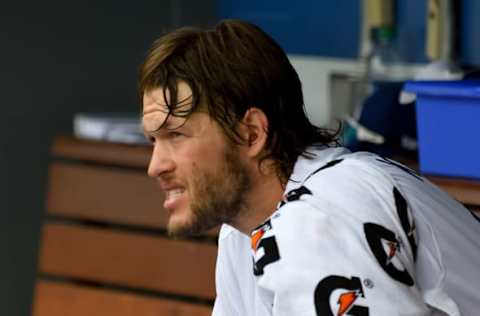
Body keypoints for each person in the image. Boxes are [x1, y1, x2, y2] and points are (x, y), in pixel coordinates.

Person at [139, 19, 480, 316]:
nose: (155, 166)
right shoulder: (243, 229)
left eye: (176, 135)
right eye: (154, 140)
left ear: (251, 133)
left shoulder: (324, 214)